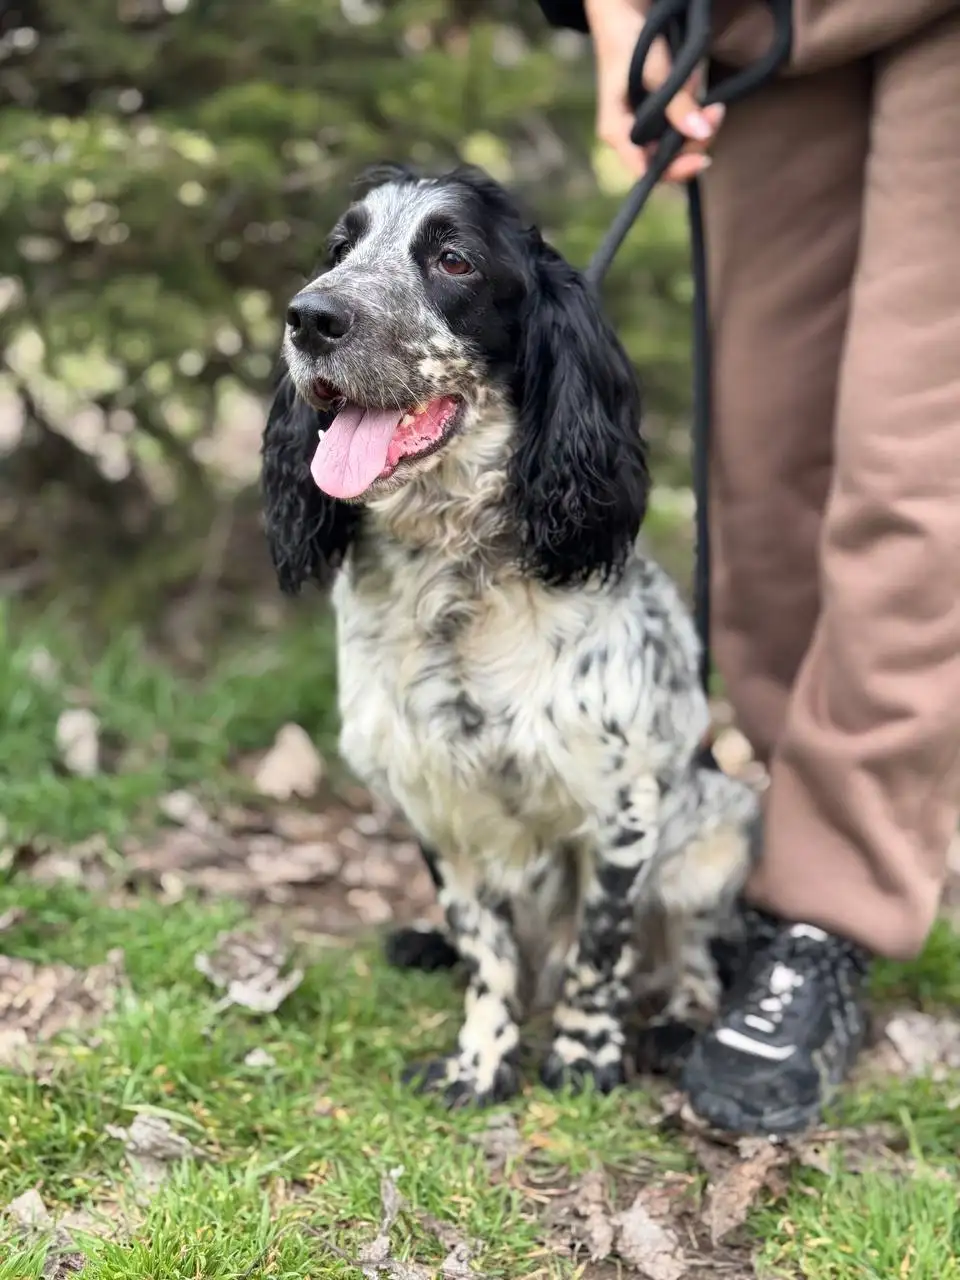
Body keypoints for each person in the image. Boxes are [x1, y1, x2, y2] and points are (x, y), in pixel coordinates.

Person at [534, 0, 960, 1135]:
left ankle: (834, 901)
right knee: (764, 448)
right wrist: (616, 10)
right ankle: (774, 832)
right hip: (760, 18)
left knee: (913, 459)